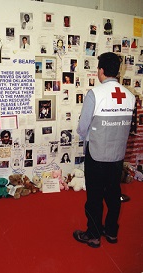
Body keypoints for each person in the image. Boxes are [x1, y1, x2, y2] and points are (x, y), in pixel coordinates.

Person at [73, 52, 135, 248]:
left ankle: (93, 234)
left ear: (100, 71)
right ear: (117, 71)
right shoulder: (130, 96)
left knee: (94, 196)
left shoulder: (95, 94)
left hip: (97, 153)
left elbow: (83, 128)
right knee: (113, 193)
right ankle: (111, 232)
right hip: (117, 155)